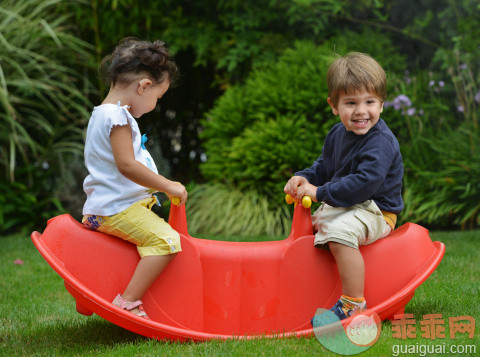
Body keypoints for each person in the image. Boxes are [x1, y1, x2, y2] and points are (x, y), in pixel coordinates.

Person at [284, 52, 403, 321]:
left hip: (377, 210)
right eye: (351, 102)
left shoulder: (380, 142)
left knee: (337, 231)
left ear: (382, 104)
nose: (361, 111)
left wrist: (320, 192)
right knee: (310, 227)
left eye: (369, 102)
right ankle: (307, 289)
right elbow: (325, 167)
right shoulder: (337, 134)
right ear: (334, 105)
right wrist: (305, 178)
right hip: (351, 203)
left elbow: (363, 184)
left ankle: (353, 303)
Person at [82, 38, 187, 319]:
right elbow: (127, 166)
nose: (155, 104)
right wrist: (166, 185)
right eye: (157, 98)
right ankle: (127, 303)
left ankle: (94, 294)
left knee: (154, 237)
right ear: (143, 86)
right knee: (166, 241)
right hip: (116, 208)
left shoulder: (101, 114)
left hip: (108, 206)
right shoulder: (117, 116)